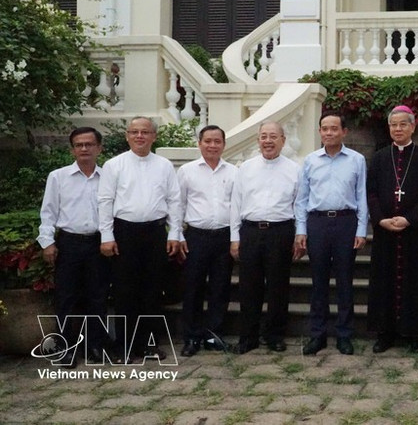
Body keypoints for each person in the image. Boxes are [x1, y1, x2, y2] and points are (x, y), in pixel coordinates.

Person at [98, 117, 182, 362]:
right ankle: (124, 346)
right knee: (125, 292)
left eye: (145, 132)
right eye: (134, 132)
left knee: (152, 291)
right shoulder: (115, 165)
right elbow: (104, 201)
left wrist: (175, 233)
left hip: (155, 234)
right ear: (127, 136)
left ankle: (147, 344)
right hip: (124, 234)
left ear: (154, 137)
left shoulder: (164, 165)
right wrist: (106, 236)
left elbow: (174, 201)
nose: (139, 136)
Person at [37, 127, 112, 367]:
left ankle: (95, 346)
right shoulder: (58, 177)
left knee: (97, 297)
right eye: (79, 145)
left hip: (98, 244)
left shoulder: (108, 178)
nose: (84, 149)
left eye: (89, 144)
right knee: (66, 298)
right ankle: (66, 348)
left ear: (99, 148)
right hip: (68, 243)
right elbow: (48, 212)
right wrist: (47, 241)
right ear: (72, 149)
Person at [295, 112, 368, 355]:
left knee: (345, 282)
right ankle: (318, 335)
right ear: (319, 132)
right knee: (318, 282)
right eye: (324, 128)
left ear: (344, 131)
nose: (329, 133)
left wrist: (361, 229)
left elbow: (362, 196)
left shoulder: (356, 160)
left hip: (346, 222)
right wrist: (301, 230)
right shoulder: (310, 160)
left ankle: (345, 335)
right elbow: (302, 199)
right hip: (317, 223)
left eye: (334, 128)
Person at [366, 106, 418, 354]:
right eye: (393, 125)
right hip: (385, 231)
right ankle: (385, 333)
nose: (397, 129)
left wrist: (409, 219)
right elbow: (371, 194)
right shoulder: (379, 157)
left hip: (413, 232)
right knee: (383, 282)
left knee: (415, 283)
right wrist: (380, 219)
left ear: (413, 126)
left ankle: (415, 333)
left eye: (403, 124)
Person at [230, 121, 301, 355]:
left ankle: (274, 335)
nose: (267, 141)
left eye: (273, 136)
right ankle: (247, 337)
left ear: (283, 140)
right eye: (263, 136)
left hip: (281, 232)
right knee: (249, 287)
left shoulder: (294, 169)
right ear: (258, 140)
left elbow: (299, 206)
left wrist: (300, 234)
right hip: (250, 232)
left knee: (278, 287)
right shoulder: (245, 168)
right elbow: (236, 204)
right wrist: (234, 237)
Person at [176, 125, 236, 357]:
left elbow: (237, 207)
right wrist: (178, 235)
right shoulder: (187, 171)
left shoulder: (233, 172)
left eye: (217, 141)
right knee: (193, 288)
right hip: (196, 236)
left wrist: (235, 239)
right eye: (208, 141)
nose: (212, 145)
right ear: (199, 143)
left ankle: (213, 335)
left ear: (224, 144)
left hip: (223, 236)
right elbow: (178, 204)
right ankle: (191, 337)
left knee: (220, 288)